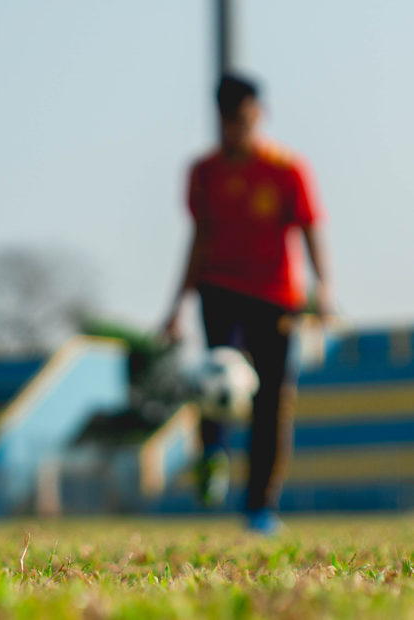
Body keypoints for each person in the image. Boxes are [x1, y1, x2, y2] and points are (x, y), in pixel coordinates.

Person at [162, 73, 333, 534]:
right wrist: (175, 306)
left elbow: (310, 228)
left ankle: (260, 507)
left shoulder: (286, 169)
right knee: (216, 376)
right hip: (219, 290)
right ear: (218, 118)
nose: (237, 127)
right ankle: (213, 454)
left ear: (259, 113)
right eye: (228, 119)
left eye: (244, 117)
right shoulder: (205, 172)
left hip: (277, 300)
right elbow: (197, 238)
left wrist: (325, 291)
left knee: (272, 403)